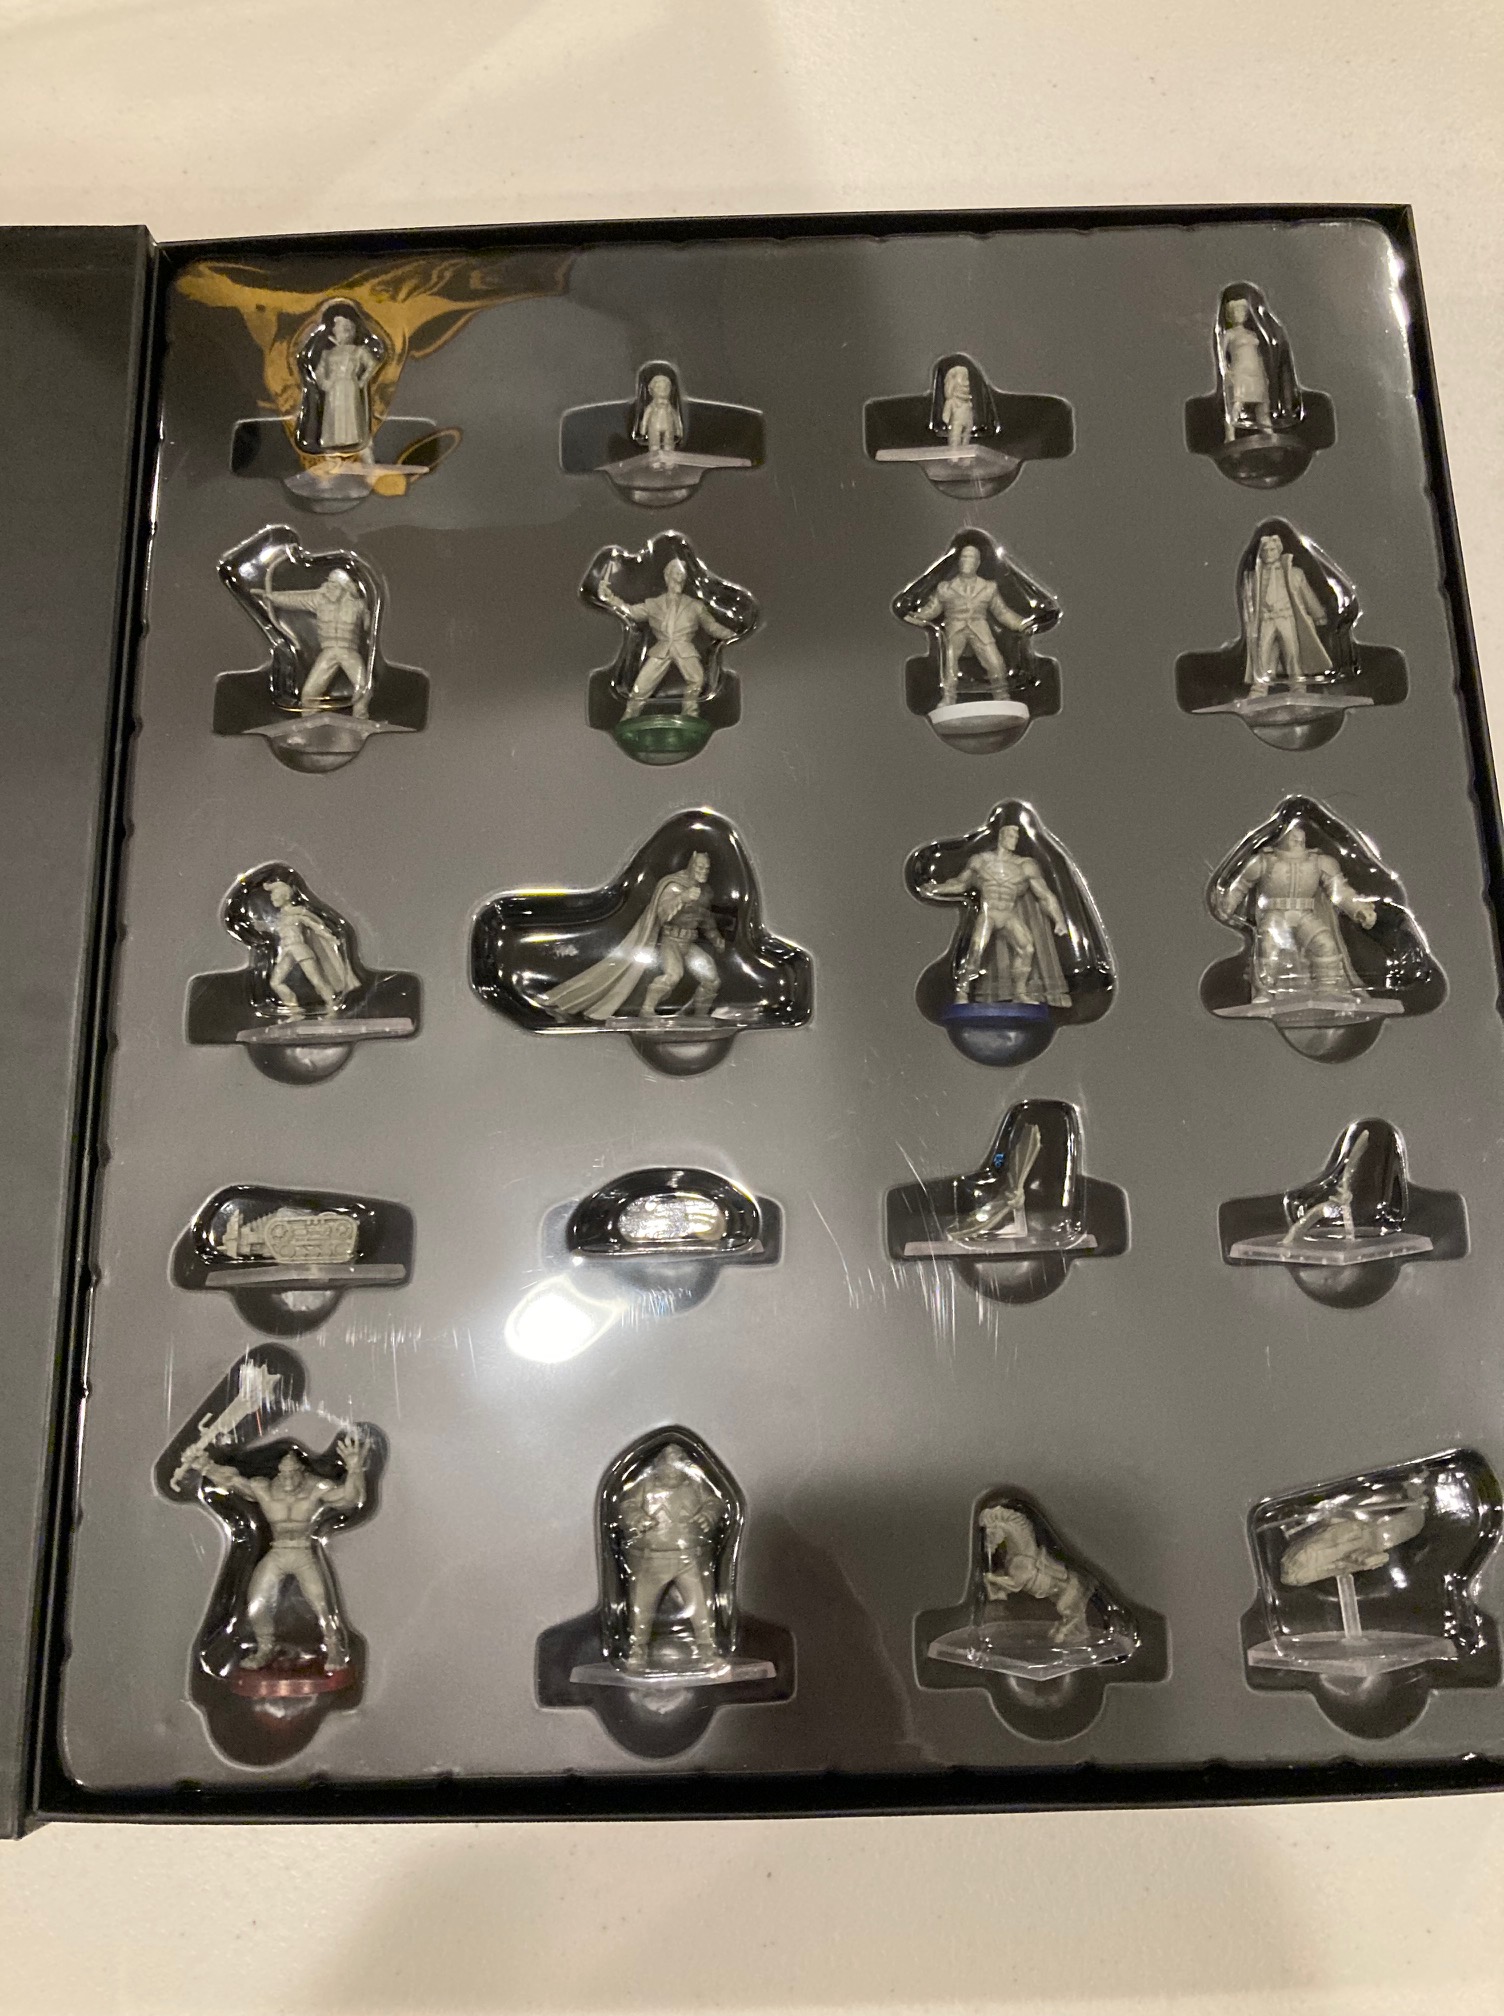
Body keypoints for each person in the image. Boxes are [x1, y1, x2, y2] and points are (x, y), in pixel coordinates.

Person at [197, 1433, 369, 1673]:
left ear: (302, 1472)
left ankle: (334, 1649)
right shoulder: (265, 1489)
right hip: (278, 1551)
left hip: (303, 1552)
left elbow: (350, 1499)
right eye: (283, 1474)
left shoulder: (315, 1488)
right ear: (278, 1473)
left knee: (321, 1605)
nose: (287, 1480)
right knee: (256, 1601)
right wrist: (205, 1465)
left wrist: (355, 1469)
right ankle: (265, 1648)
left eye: (293, 1474)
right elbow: (232, 1481)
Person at [539, 852, 725, 1022]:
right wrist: (682, 898)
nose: (703, 871)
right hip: (671, 941)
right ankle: (647, 1010)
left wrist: (716, 938)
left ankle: (700, 1017)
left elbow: (706, 919)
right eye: (700, 867)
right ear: (692, 865)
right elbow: (662, 913)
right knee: (672, 976)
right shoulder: (674, 886)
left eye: (707, 868)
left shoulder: (706, 892)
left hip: (689, 942)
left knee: (712, 979)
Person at [1214, 823, 1378, 1005]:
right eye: (1293, 838)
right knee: (1268, 948)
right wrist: (1227, 906)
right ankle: (1265, 992)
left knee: (1325, 944)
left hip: (1304, 914)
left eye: (1301, 839)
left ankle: (1328, 989)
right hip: (1275, 914)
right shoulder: (1263, 861)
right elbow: (1240, 886)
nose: (1298, 841)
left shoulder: (1319, 862)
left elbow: (1340, 890)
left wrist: (1360, 909)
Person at [923, 825, 1071, 1008]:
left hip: (1008, 914)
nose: (1014, 840)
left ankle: (1020, 993)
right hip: (989, 914)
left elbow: (1046, 896)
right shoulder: (980, 861)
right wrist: (935, 889)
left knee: (1027, 948)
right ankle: (962, 991)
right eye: (1011, 835)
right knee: (976, 951)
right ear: (1001, 836)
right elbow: (960, 884)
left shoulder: (1025, 866)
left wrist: (1059, 920)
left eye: (1016, 836)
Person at [615, 1444, 723, 1672]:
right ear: (659, 1464)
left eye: (679, 1462)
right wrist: (636, 1518)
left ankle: (708, 1650)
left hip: (690, 1558)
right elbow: (626, 1505)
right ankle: (637, 1650)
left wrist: (708, 1515)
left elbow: (715, 1502)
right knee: (641, 1608)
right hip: (652, 1560)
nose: (674, 1469)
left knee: (702, 1607)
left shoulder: (695, 1484)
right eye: (669, 1462)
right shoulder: (644, 1485)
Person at [598, 555, 738, 719]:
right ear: (668, 576)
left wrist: (732, 635)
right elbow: (632, 612)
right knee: (641, 686)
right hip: (662, 648)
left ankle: (690, 714)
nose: (680, 579)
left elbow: (712, 627)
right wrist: (609, 598)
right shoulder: (654, 604)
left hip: (684, 648)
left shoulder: (695, 605)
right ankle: (629, 716)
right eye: (677, 574)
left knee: (697, 679)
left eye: (683, 575)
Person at [904, 542, 1031, 705]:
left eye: (970, 558)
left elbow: (1002, 612)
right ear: (958, 561)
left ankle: (1002, 696)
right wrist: (915, 617)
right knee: (948, 663)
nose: (966, 561)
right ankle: (948, 698)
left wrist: (1022, 624)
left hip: (980, 628)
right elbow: (932, 609)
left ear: (977, 563)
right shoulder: (945, 588)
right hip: (954, 628)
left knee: (995, 662)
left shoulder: (988, 587)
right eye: (963, 557)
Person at [258, 560, 372, 716]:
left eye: (335, 584)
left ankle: (360, 718)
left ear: (344, 586)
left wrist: (367, 617)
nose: (330, 586)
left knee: (364, 687)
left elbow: (369, 627)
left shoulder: (358, 605)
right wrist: (272, 597)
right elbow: (296, 599)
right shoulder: (319, 599)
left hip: (349, 651)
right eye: (329, 582)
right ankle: (308, 721)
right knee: (309, 693)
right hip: (329, 651)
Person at [979, 1504, 1092, 1646]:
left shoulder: (1025, 1562)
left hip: (1058, 1581)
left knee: (1063, 1608)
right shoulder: (1015, 1556)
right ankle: (998, 1594)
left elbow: (1015, 1584)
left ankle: (1065, 1630)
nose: (990, 1545)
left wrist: (991, 1578)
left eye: (992, 1537)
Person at [1241, 531, 1332, 697]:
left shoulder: (1294, 574)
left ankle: (1298, 687)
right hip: (1266, 620)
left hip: (1286, 618)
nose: (1269, 554)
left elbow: (1307, 595)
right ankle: (1259, 689)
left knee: (1292, 654)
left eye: (1272, 550)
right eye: (1265, 551)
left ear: (1279, 551)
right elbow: (1249, 603)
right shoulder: (1254, 578)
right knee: (1262, 654)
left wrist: (1318, 614)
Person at [260, 878, 359, 1017]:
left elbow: (315, 926)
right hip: (286, 951)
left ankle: (331, 1006)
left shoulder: (298, 913)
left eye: (275, 894)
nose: (272, 898)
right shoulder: (280, 918)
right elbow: (274, 929)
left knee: (317, 980)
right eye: (272, 895)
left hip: (300, 950)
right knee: (275, 982)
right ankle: (294, 1010)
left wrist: (330, 937)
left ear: (286, 896)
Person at [306, 311, 378, 452]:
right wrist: (324, 382)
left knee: (349, 413)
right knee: (333, 413)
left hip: (348, 385)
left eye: (337, 328)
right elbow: (319, 370)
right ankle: (332, 439)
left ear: (347, 331)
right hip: (332, 387)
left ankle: (351, 439)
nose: (334, 330)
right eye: (335, 328)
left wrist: (362, 381)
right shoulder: (328, 353)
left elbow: (372, 364)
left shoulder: (357, 351)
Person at [1219, 295, 1273, 439]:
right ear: (1230, 316)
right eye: (1236, 312)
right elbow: (1221, 354)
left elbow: (1259, 355)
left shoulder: (1252, 334)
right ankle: (1230, 435)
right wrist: (1226, 370)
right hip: (1239, 372)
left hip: (1256, 372)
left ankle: (1269, 434)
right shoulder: (1229, 334)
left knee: (1262, 406)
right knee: (1237, 404)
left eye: (1242, 311)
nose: (1239, 314)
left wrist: (1264, 374)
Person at [635, 372, 684, 455]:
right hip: (654, 427)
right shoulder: (651, 407)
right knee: (654, 444)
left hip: (668, 426)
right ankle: (654, 456)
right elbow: (646, 417)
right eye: (658, 387)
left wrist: (678, 430)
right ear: (651, 390)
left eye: (666, 387)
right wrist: (643, 429)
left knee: (668, 443)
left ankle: (669, 456)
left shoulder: (670, 407)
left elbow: (675, 417)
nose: (663, 389)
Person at [940, 363, 975, 449]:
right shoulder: (952, 401)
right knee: (955, 438)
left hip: (968, 422)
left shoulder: (967, 401)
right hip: (956, 423)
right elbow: (945, 416)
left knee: (966, 438)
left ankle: (964, 454)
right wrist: (946, 419)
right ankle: (954, 452)